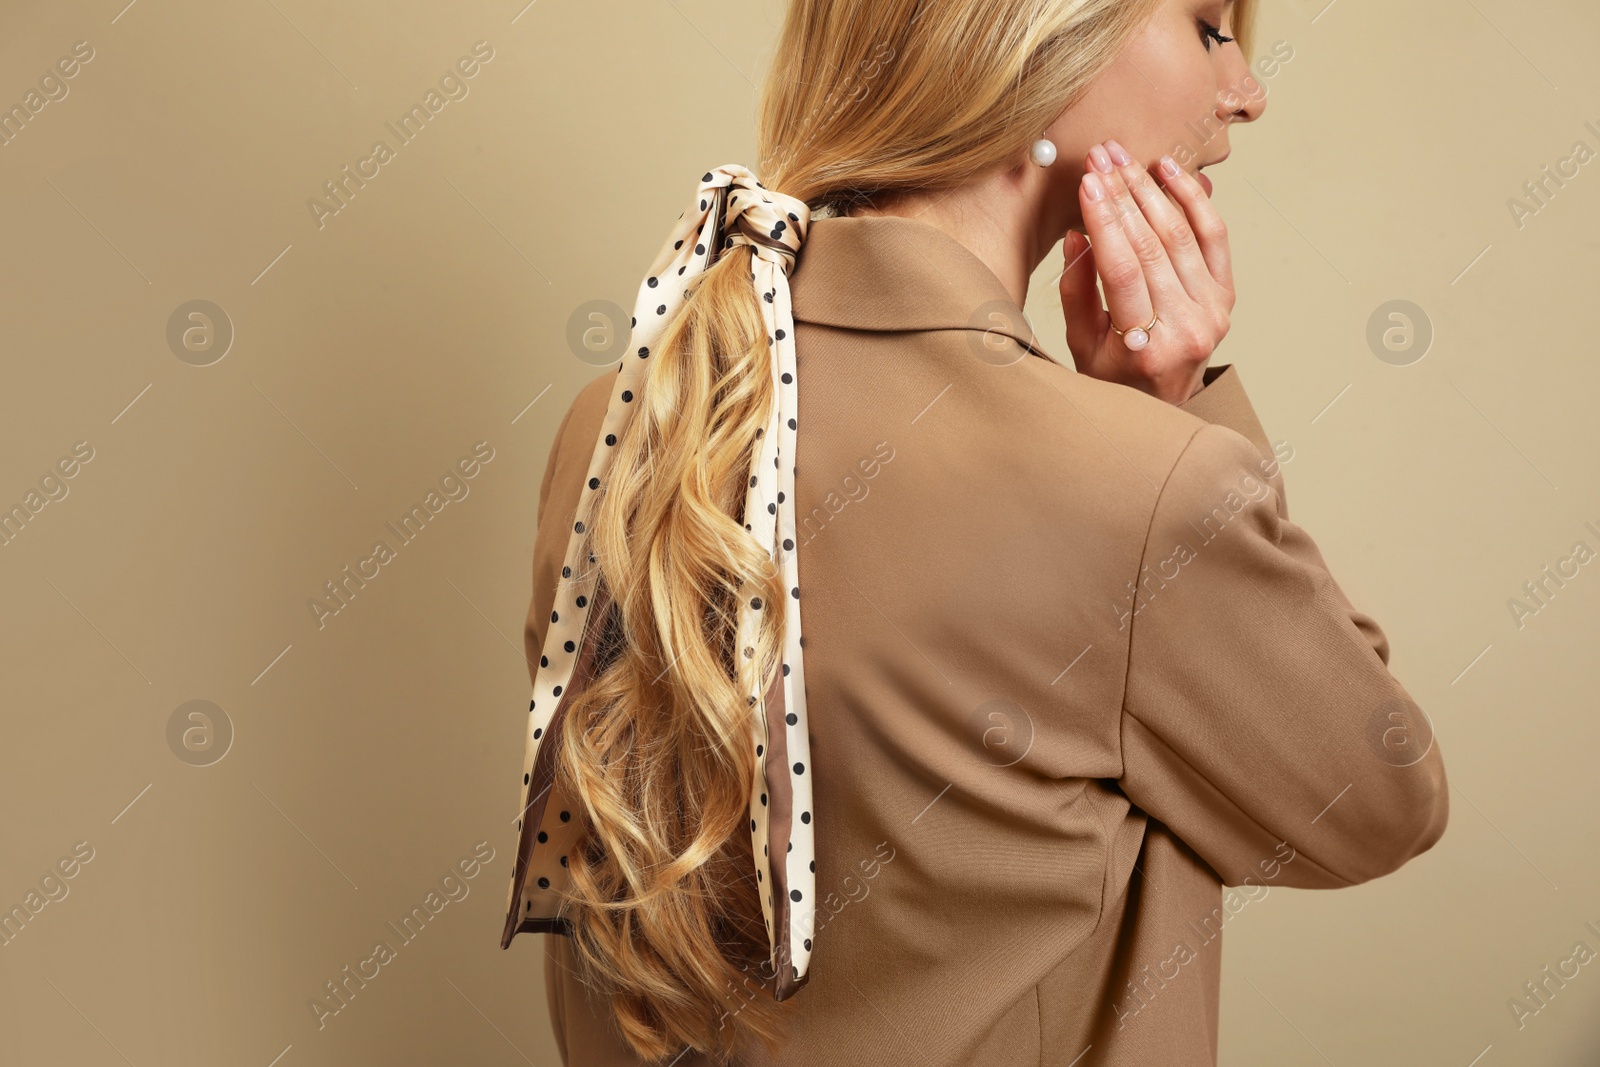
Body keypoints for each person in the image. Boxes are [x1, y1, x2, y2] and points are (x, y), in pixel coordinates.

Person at [504, 0, 1450, 1063]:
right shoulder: (1136, 484)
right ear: (1038, 41)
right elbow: (1382, 799)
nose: (1246, 92)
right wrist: (1176, 414)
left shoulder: (615, 425)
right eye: (1205, 27)